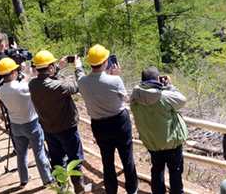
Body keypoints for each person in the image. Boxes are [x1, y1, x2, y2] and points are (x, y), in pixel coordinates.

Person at [29, 50, 92, 194]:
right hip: (67, 128)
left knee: (57, 161)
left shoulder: (33, 84)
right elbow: (78, 85)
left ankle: (62, 188)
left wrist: (57, 68)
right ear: (50, 67)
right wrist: (78, 68)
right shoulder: (58, 86)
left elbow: (46, 79)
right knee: (75, 159)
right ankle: (79, 188)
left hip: (48, 129)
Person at [78, 44, 138, 194]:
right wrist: (115, 77)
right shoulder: (114, 81)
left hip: (98, 124)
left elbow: (82, 77)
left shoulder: (82, 81)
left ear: (89, 62)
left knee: (107, 160)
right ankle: (132, 190)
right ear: (106, 62)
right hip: (119, 123)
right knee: (127, 158)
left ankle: (111, 191)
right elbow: (123, 98)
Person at [130, 66, 188, 194]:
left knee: (157, 169)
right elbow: (182, 100)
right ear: (158, 79)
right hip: (171, 141)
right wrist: (169, 86)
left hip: (152, 142)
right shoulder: (164, 96)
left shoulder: (135, 96)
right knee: (176, 171)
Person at [0, 57, 54, 186]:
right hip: (31, 124)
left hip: (15, 126)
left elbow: (19, 86)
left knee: (21, 154)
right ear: (13, 72)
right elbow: (25, 87)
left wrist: (29, 74)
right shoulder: (21, 89)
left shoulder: (1, 90)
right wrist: (32, 74)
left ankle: (23, 179)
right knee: (39, 152)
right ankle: (47, 179)